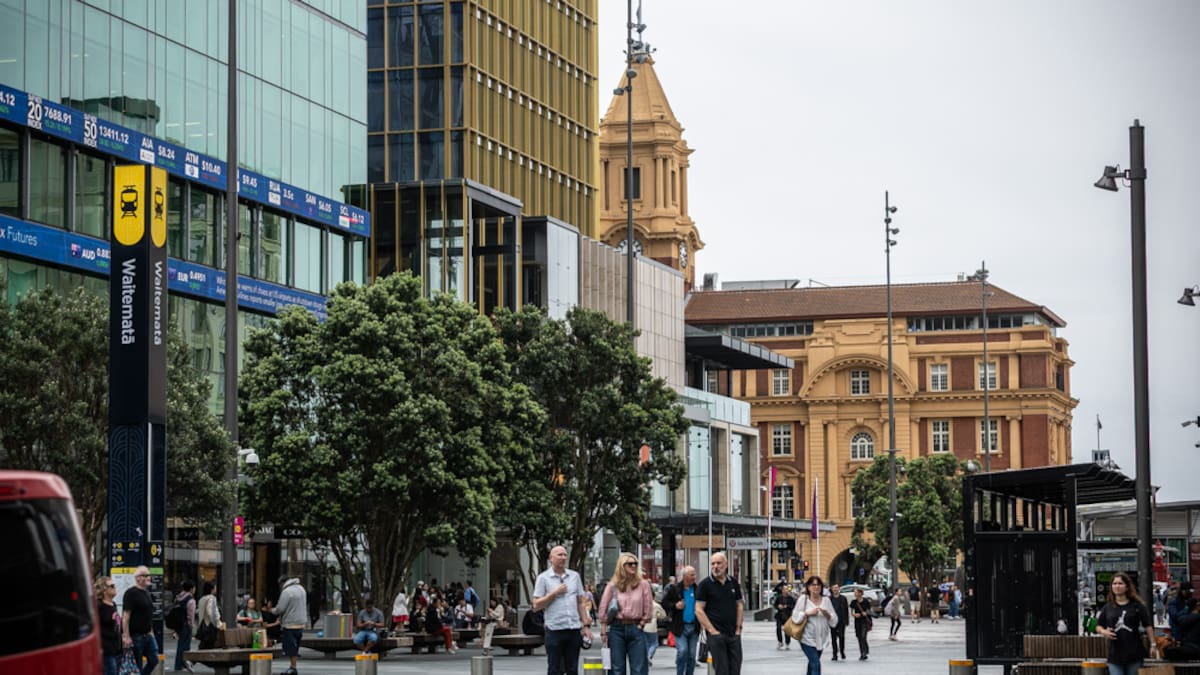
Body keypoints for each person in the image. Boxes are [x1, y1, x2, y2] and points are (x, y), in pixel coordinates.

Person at [532, 545, 593, 675]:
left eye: (565, 555)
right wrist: (554, 593)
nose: (563, 557)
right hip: (554, 630)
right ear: (551, 558)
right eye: (559, 555)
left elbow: (580, 602)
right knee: (555, 669)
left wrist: (586, 626)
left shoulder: (574, 576)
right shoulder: (543, 578)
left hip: (573, 629)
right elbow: (536, 605)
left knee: (572, 669)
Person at [598, 552, 653, 675]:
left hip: (636, 627)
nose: (633, 566)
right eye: (629, 564)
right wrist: (603, 630)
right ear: (622, 566)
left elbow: (648, 607)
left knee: (639, 670)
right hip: (617, 628)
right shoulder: (613, 585)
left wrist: (642, 624)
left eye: (635, 563)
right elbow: (603, 608)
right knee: (617, 669)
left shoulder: (643, 584)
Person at [1095, 571, 1156, 675]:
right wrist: (1104, 632)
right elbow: (1098, 626)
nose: (1117, 586)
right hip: (1115, 655)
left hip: (1134, 654)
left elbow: (1148, 625)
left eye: (1120, 583)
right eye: (1114, 583)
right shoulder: (1108, 607)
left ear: (1127, 587)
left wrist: (1153, 645)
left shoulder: (1137, 606)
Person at [695, 552, 743, 675]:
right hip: (716, 635)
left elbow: (739, 605)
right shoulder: (705, 585)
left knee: (735, 669)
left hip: (733, 634)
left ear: (726, 564)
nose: (715, 566)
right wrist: (712, 631)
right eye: (713, 564)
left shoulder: (733, 582)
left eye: (719, 563)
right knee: (722, 671)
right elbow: (699, 610)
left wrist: (738, 629)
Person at [661, 565, 700, 675]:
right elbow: (664, 603)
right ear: (685, 576)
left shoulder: (697, 589)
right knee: (683, 651)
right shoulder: (675, 589)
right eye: (692, 575)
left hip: (694, 627)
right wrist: (675, 605)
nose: (694, 577)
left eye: (694, 574)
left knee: (692, 655)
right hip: (680, 627)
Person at [122, 566, 159, 675]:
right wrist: (126, 636)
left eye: (149, 575)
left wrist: (151, 632)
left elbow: (148, 615)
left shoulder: (146, 593)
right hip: (136, 635)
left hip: (148, 634)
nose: (148, 577)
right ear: (137, 578)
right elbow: (126, 616)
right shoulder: (131, 593)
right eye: (145, 575)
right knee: (137, 664)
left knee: (154, 660)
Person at [275, 575, 308, 675]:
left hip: (290, 623)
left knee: (290, 647)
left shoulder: (287, 592)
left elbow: (280, 608)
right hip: (301, 622)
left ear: (282, 583)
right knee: (295, 645)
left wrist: (271, 610)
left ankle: (293, 667)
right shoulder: (301, 589)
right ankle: (293, 667)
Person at [96, 576, 122, 675]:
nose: (115, 587)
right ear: (104, 590)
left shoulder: (113, 604)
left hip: (116, 649)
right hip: (106, 651)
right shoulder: (99, 606)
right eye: (112, 586)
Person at [1163, 594, 1200, 661]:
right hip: (1193, 647)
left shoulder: (1183, 619)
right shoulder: (1194, 618)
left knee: (1168, 650)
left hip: (1189, 646)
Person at [172, 580, 197, 672]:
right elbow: (191, 615)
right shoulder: (191, 600)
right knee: (185, 646)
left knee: (180, 645)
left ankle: (179, 664)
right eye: (194, 588)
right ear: (191, 589)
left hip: (178, 624)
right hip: (186, 625)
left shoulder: (178, 598)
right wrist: (191, 626)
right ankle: (181, 665)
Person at [196, 581, 223, 650]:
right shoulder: (212, 598)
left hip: (202, 626)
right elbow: (212, 613)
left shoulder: (201, 599)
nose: (216, 589)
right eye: (215, 587)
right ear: (211, 589)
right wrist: (218, 623)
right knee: (210, 645)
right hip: (210, 626)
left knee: (204, 645)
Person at [849, 587, 871, 661]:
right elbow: (851, 611)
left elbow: (868, 611)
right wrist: (854, 614)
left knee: (863, 636)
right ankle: (863, 650)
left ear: (860, 593)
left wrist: (864, 613)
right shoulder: (853, 602)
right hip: (857, 621)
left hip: (864, 621)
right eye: (854, 592)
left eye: (856, 592)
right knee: (859, 637)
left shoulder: (866, 601)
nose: (855, 594)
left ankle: (863, 653)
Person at [828, 584, 849, 661]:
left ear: (839, 589)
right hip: (833, 620)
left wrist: (846, 620)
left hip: (841, 620)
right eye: (834, 588)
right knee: (833, 638)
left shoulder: (843, 598)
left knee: (841, 637)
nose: (835, 589)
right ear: (831, 589)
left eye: (836, 588)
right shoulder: (829, 599)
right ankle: (835, 654)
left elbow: (846, 610)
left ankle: (842, 652)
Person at [643, 599, 666, 667]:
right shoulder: (656, 605)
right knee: (654, 643)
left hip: (642, 625)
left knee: (645, 643)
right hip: (652, 626)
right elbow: (663, 615)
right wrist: (658, 615)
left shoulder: (641, 603)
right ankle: (649, 656)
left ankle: (645, 657)